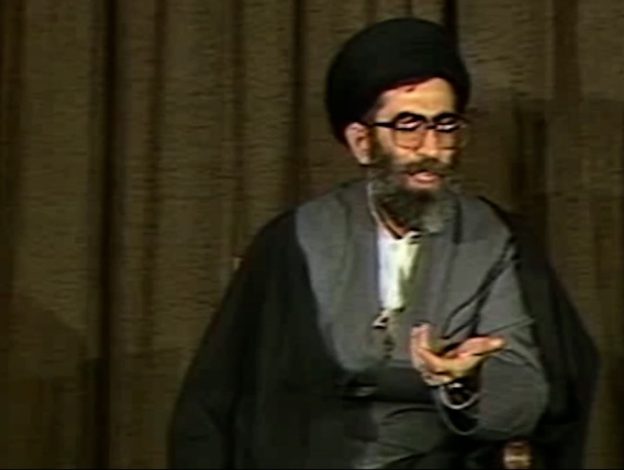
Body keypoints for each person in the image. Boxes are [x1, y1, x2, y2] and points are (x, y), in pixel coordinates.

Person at [169, 17, 598, 469]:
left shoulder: (493, 239)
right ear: (362, 142)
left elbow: (526, 401)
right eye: (409, 125)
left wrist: (462, 384)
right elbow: (213, 404)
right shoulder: (293, 242)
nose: (430, 148)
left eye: (445, 125)